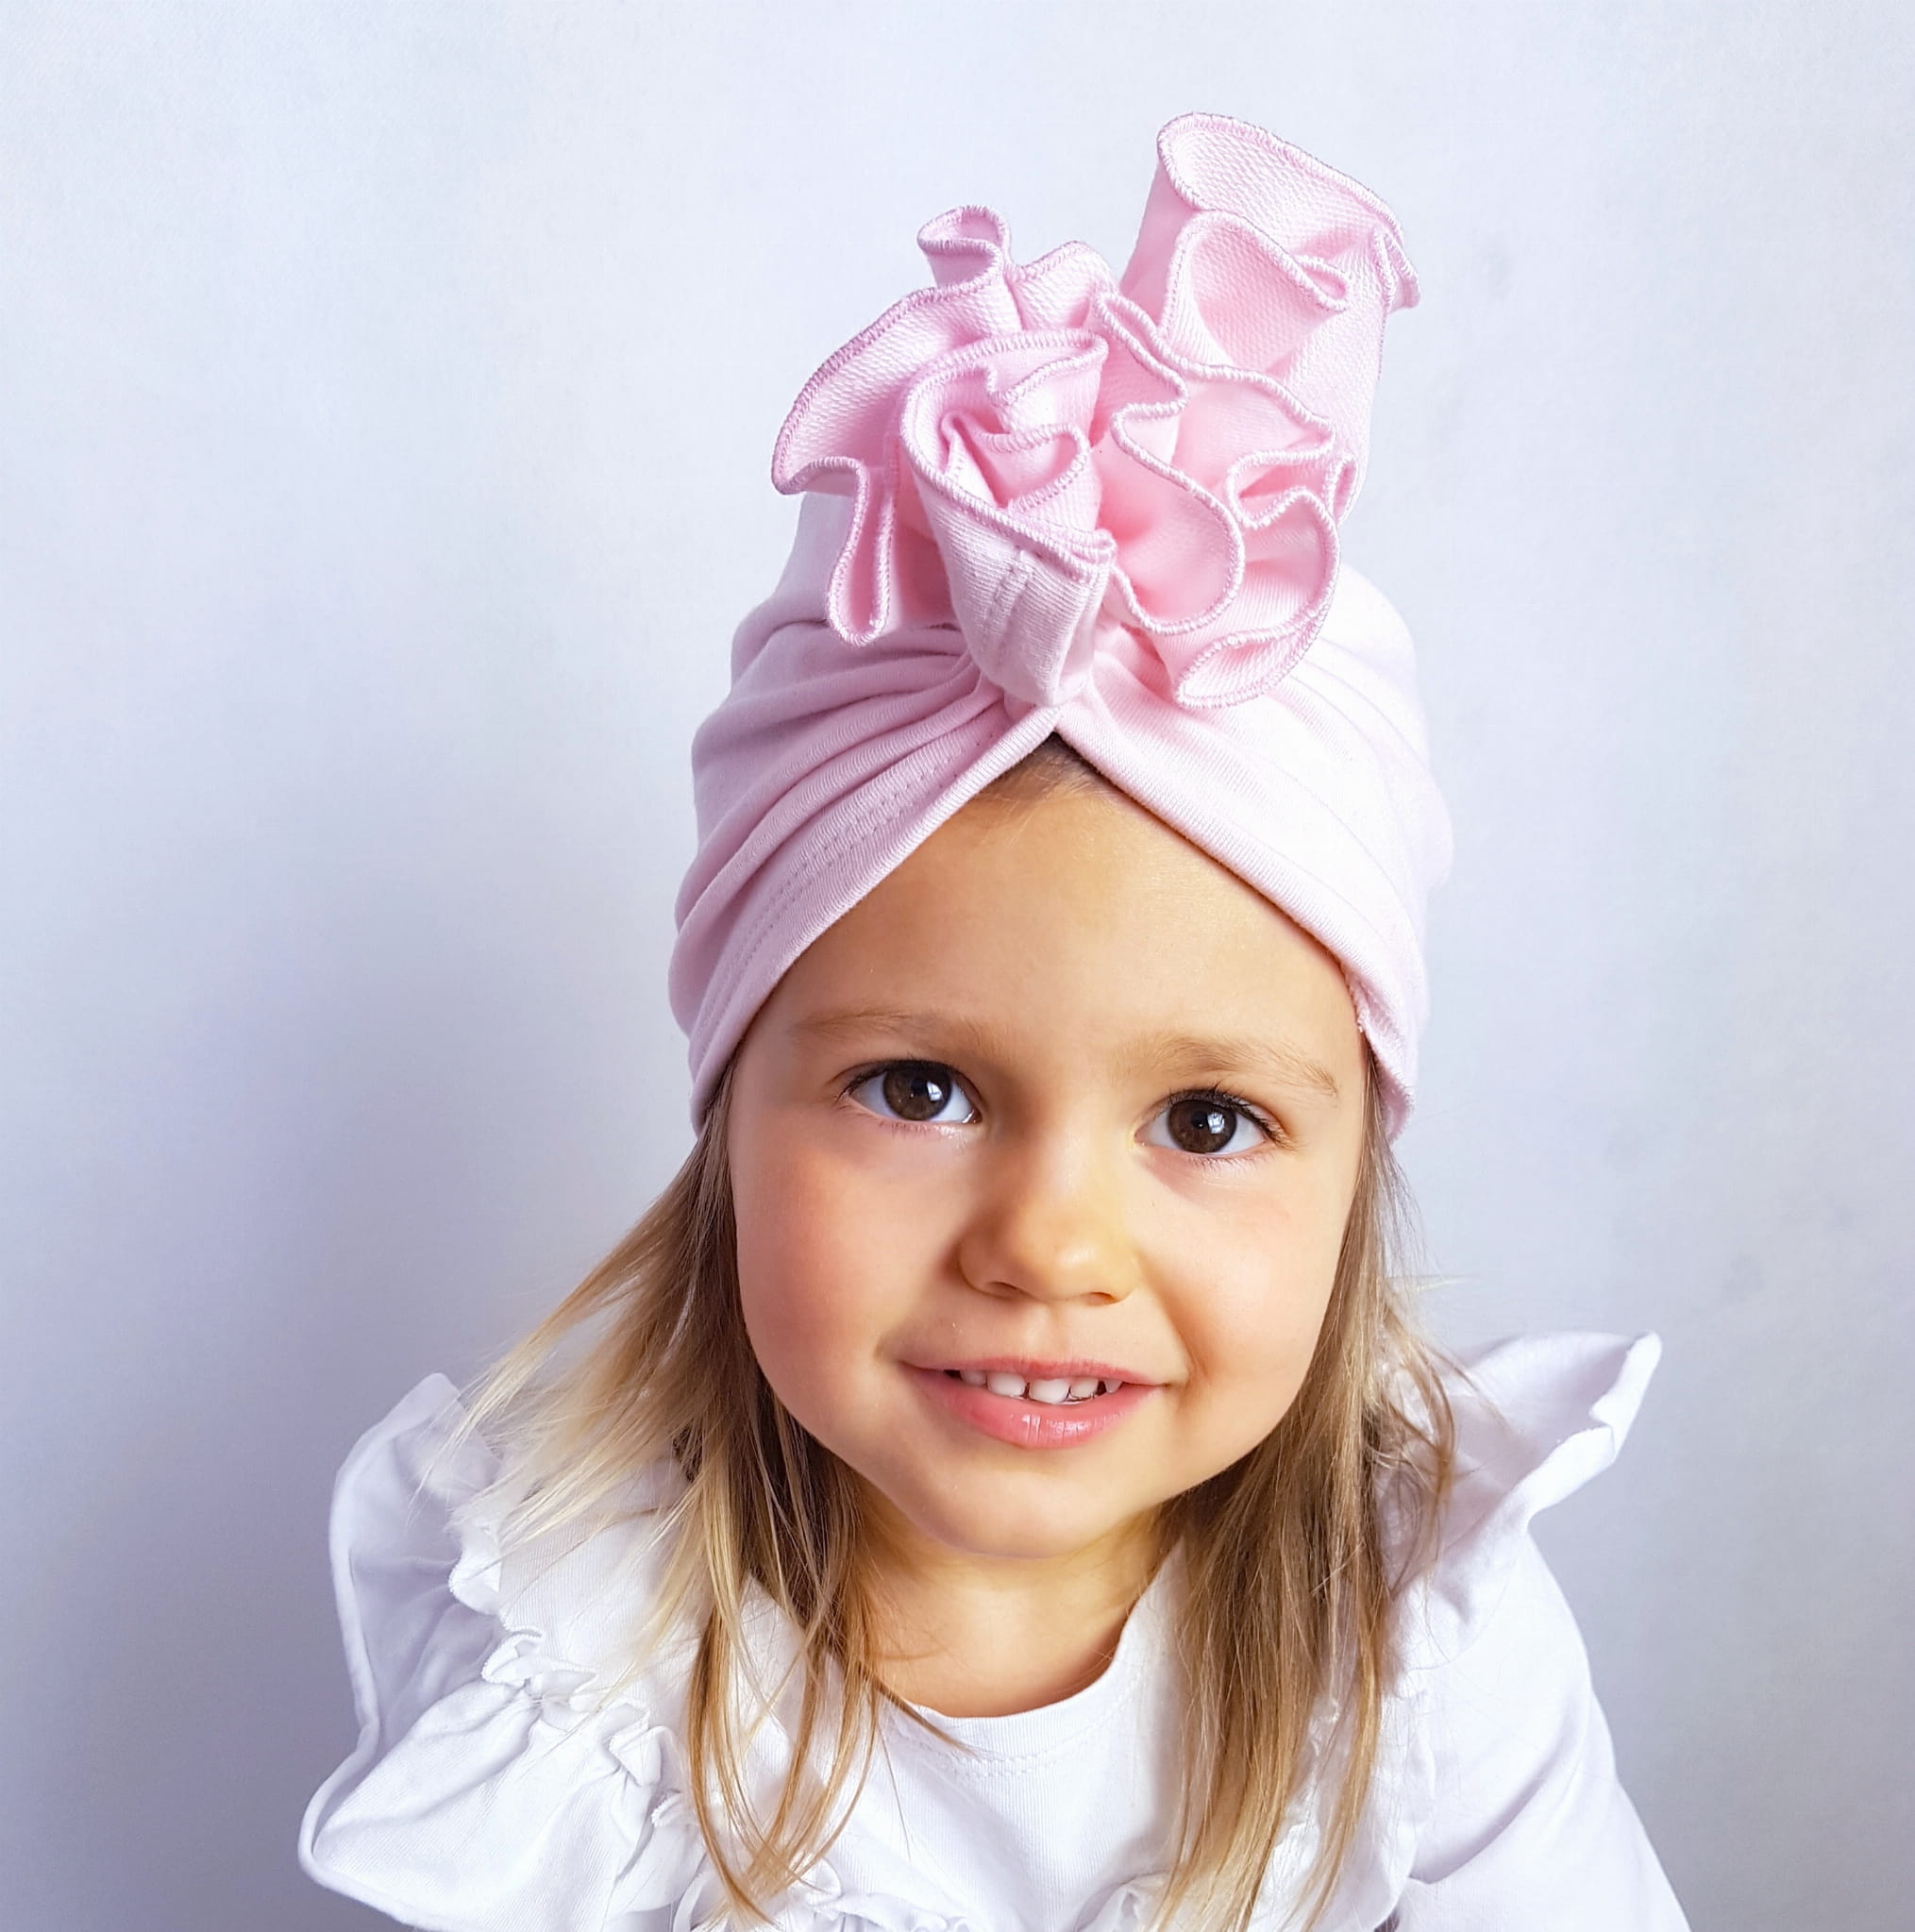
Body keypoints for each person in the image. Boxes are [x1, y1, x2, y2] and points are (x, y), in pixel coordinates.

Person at [299, 113, 1688, 1931]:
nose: (1048, 1245)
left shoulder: (1421, 1649)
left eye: (1205, 1121)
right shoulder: (571, 1673)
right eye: (918, 1087)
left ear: (1355, 1167)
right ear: (731, 1111)